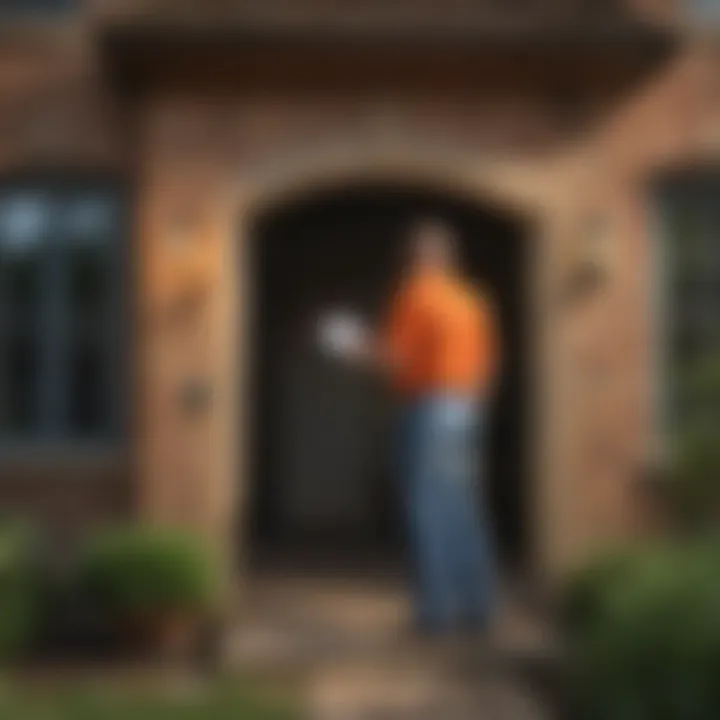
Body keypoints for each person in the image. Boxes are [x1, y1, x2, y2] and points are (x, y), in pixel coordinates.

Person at [350, 219, 501, 634]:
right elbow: (487, 365)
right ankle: (476, 607)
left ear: (421, 258)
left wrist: (356, 348)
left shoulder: (417, 294)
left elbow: (393, 359)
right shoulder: (471, 300)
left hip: (428, 407)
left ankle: (435, 613)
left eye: (413, 256)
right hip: (467, 408)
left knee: (427, 507)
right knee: (464, 506)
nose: (410, 263)